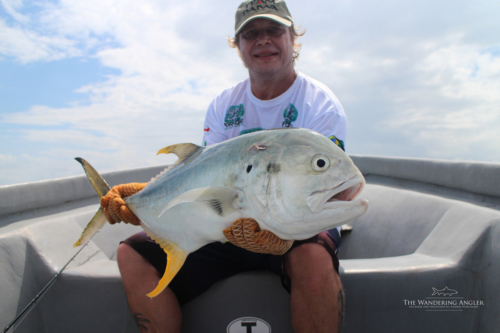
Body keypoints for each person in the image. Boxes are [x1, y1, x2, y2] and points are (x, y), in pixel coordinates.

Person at [110, 1, 348, 332]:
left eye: (274, 30)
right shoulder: (223, 106)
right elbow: (204, 178)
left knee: (312, 257)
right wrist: (148, 199)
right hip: (231, 227)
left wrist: (278, 234)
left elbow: (329, 184)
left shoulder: (320, 104)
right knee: (132, 253)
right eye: (251, 34)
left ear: (293, 37)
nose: (263, 40)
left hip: (297, 223)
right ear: (238, 46)